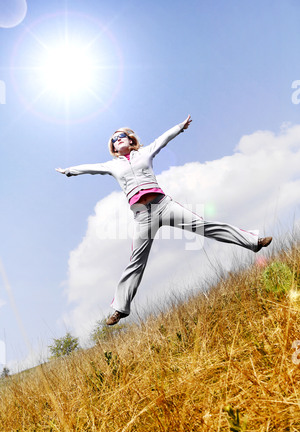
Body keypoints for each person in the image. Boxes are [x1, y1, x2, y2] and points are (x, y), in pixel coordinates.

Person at [56, 115, 272, 325]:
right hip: (142, 216)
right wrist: (68, 171)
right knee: (136, 261)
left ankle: (253, 242)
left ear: (130, 139)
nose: (117, 139)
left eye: (121, 136)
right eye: (114, 139)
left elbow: (162, 139)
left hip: (164, 205)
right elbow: (90, 168)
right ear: (113, 147)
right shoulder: (112, 165)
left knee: (204, 226)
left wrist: (180, 127)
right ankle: (119, 309)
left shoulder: (145, 152)